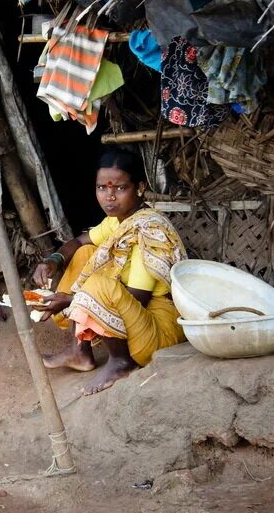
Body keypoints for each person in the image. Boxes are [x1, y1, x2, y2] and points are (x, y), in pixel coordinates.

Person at [32, 147, 187, 395]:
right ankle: (79, 351)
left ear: (140, 188)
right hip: (136, 324)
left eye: (120, 188)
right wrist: (53, 260)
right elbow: (81, 241)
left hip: (156, 334)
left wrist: (71, 299)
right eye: (102, 188)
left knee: (98, 284)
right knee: (85, 255)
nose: (109, 197)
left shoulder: (147, 230)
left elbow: (138, 298)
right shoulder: (118, 221)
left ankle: (121, 361)